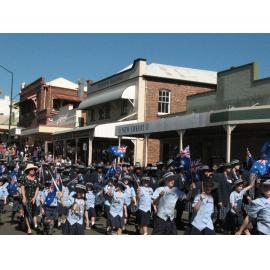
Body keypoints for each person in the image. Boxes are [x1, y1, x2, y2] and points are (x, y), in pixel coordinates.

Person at [20, 163, 40, 234]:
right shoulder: (24, 178)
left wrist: (35, 197)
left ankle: (26, 223)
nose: (33, 170)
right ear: (28, 170)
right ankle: (28, 228)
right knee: (26, 213)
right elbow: (22, 188)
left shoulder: (36, 178)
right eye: (31, 169)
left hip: (33, 198)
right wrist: (24, 197)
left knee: (33, 212)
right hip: (26, 197)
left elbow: (37, 188)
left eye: (34, 169)